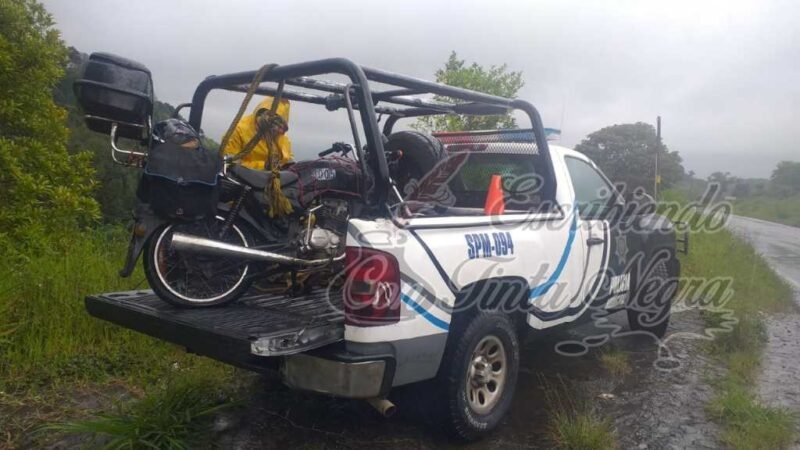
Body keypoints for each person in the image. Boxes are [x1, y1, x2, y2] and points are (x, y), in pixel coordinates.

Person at [222, 96, 292, 170]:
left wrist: (290, 166)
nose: (280, 131)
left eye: (282, 127)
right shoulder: (237, 131)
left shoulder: (282, 138)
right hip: (241, 179)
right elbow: (229, 165)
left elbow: (287, 160)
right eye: (276, 125)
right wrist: (264, 166)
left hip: (273, 179)